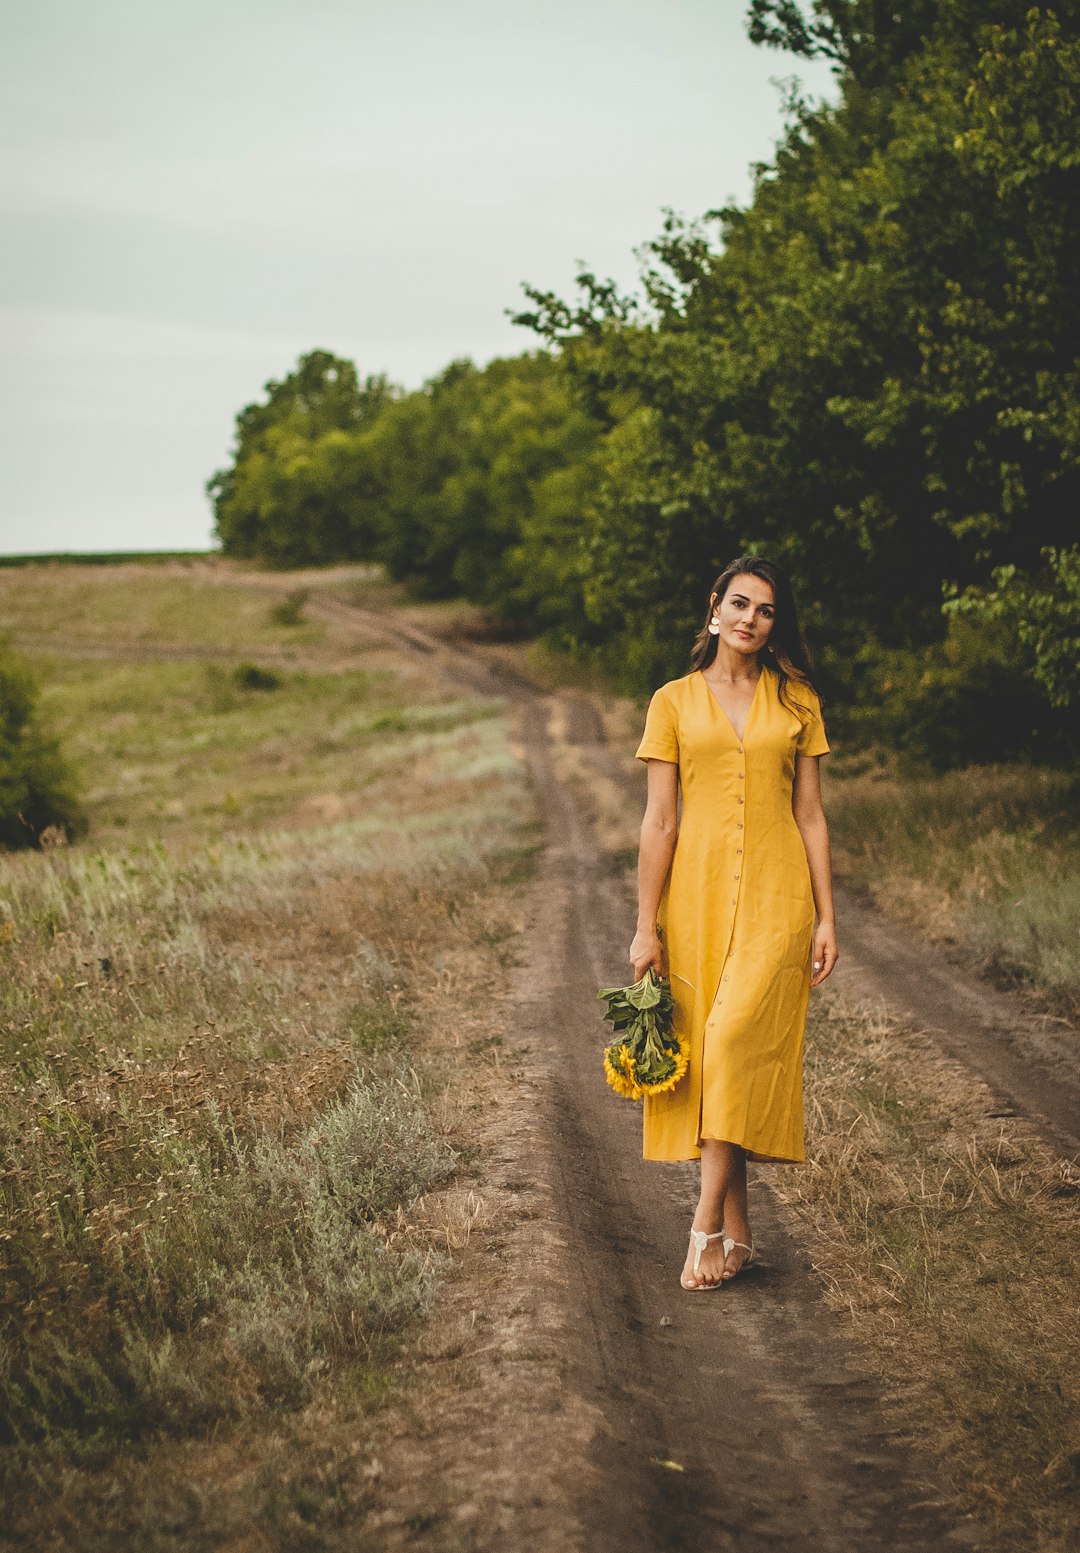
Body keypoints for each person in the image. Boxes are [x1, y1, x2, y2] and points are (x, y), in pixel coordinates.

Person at [630, 556, 838, 1291]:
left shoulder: (799, 699)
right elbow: (659, 821)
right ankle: (742, 1231)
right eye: (740, 604)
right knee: (720, 1061)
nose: (751, 619)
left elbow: (810, 813)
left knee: (734, 1039)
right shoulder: (673, 701)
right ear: (714, 608)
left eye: (767, 610)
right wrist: (644, 925)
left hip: (781, 899)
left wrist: (827, 916)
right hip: (698, 897)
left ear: (777, 623)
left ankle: (704, 1228)